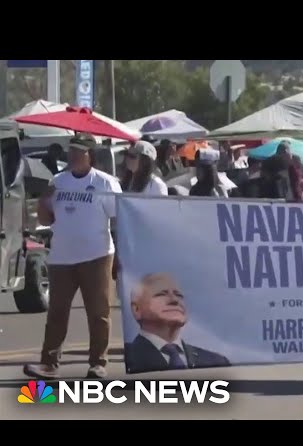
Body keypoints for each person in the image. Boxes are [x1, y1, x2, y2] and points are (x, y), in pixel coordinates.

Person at [24, 133, 122, 380]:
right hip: (62, 257)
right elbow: (46, 220)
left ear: (90, 155)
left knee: (98, 312)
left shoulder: (105, 183)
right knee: (57, 312)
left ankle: (98, 363)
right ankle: (49, 363)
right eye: (72, 150)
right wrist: (44, 203)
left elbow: (119, 220)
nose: (74, 155)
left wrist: (121, 253)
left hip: (97, 255)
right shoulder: (58, 181)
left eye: (80, 151)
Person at [125, 272, 231, 373]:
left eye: (179, 295)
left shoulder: (216, 362)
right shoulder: (128, 358)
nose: (174, 300)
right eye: (161, 294)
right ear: (137, 309)